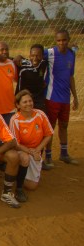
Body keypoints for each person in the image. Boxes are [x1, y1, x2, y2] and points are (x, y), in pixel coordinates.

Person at [43, 29, 79, 166]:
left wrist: (75, 97)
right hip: (51, 97)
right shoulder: (50, 53)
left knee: (64, 125)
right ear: (55, 41)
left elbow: (71, 76)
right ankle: (48, 156)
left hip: (65, 98)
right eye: (59, 40)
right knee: (50, 127)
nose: (61, 43)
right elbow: (34, 54)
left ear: (68, 40)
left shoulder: (71, 54)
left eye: (64, 40)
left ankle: (64, 154)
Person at [9, 90, 54, 199]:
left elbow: (49, 134)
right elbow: (16, 144)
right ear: (18, 105)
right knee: (25, 158)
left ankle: (16, 173)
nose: (28, 104)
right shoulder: (15, 120)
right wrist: (30, 152)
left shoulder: (40, 114)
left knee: (32, 186)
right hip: (22, 150)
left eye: (30, 101)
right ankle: (15, 178)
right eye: (24, 102)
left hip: (35, 150)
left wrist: (37, 150)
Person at [14, 44, 48, 112]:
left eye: (38, 56)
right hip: (23, 98)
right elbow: (8, 58)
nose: (35, 58)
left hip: (38, 100)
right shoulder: (22, 64)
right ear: (29, 56)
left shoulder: (44, 64)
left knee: (41, 119)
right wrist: (18, 57)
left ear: (42, 56)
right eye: (32, 56)